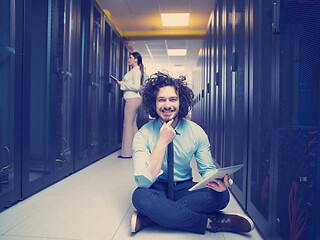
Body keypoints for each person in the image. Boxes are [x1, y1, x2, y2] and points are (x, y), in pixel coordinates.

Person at [130, 72, 254, 235]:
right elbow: (144, 182)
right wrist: (161, 141)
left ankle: (151, 218)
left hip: (184, 186)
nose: (167, 105)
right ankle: (213, 222)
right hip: (156, 187)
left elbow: (207, 169)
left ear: (181, 102)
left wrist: (221, 182)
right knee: (140, 197)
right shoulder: (142, 135)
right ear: (154, 103)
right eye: (162, 100)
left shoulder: (196, 132)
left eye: (173, 99)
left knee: (222, 197)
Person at [115, 52, 144, 158]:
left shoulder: (136, 71)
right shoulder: (135, 71)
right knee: (132, 125)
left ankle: (126, 153)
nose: (128, 59)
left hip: (132, 99)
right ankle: (137, 150)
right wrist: (123, 83)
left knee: (127, 124)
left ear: (136, 60)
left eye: (130, 58)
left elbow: (137, 87)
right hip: (135, 99)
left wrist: (122, 84)